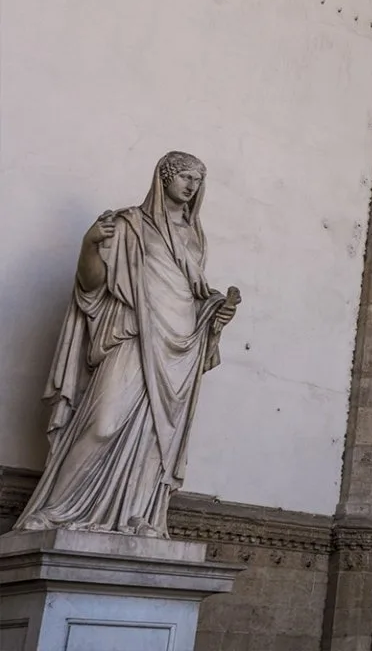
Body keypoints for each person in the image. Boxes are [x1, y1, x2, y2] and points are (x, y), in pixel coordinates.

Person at [16, 151, 239, 537]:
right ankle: (55, 510)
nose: (191, 186)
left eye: (198, 180)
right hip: (134, 336)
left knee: (156, 435)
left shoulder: (194, 236)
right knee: (102, 424)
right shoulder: (129, 225)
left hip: (179, 349)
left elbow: (190, 295)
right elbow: (91, 286)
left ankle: (137, 515)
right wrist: (90, 245)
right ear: (164, 178)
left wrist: (215, 315)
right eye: (184, 177)